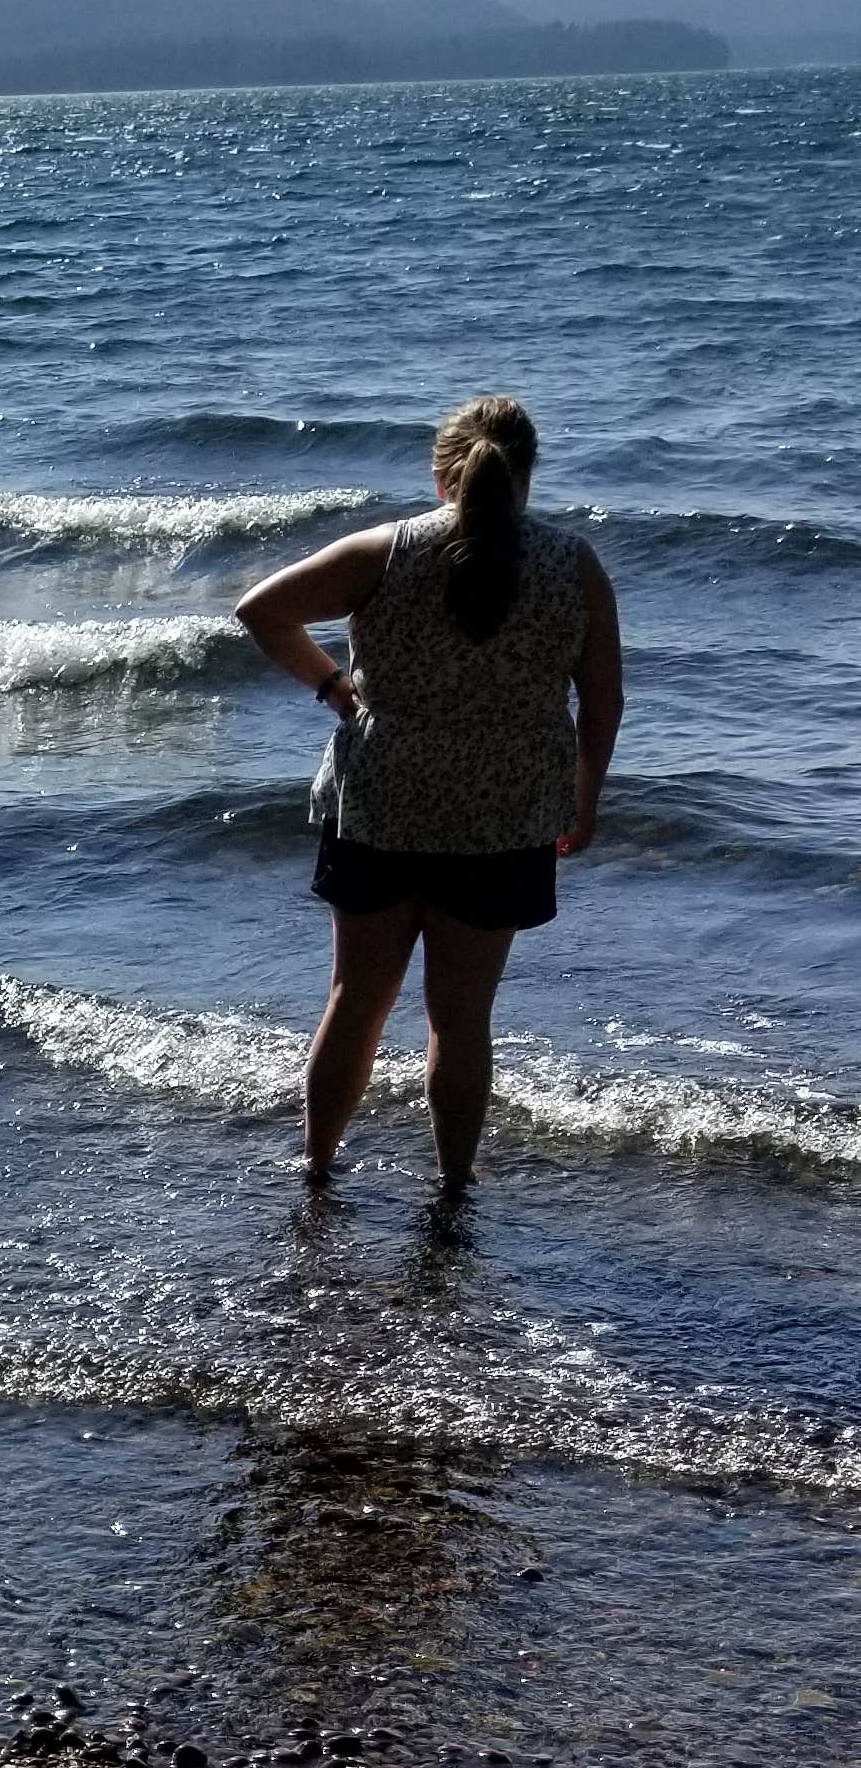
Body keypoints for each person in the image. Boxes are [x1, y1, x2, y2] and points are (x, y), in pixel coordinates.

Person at [235, 393, 621, 1186]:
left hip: (381, 801)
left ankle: (317, 1167)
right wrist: (582, 803)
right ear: (528, 476)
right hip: (504, 818)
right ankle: (452, 1185)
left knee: (356, 998)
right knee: (463, 1016)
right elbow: (604, 699)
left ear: (441, 475)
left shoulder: (386, 550)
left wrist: (331, 684)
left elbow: (261, 611)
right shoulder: (572, 565)